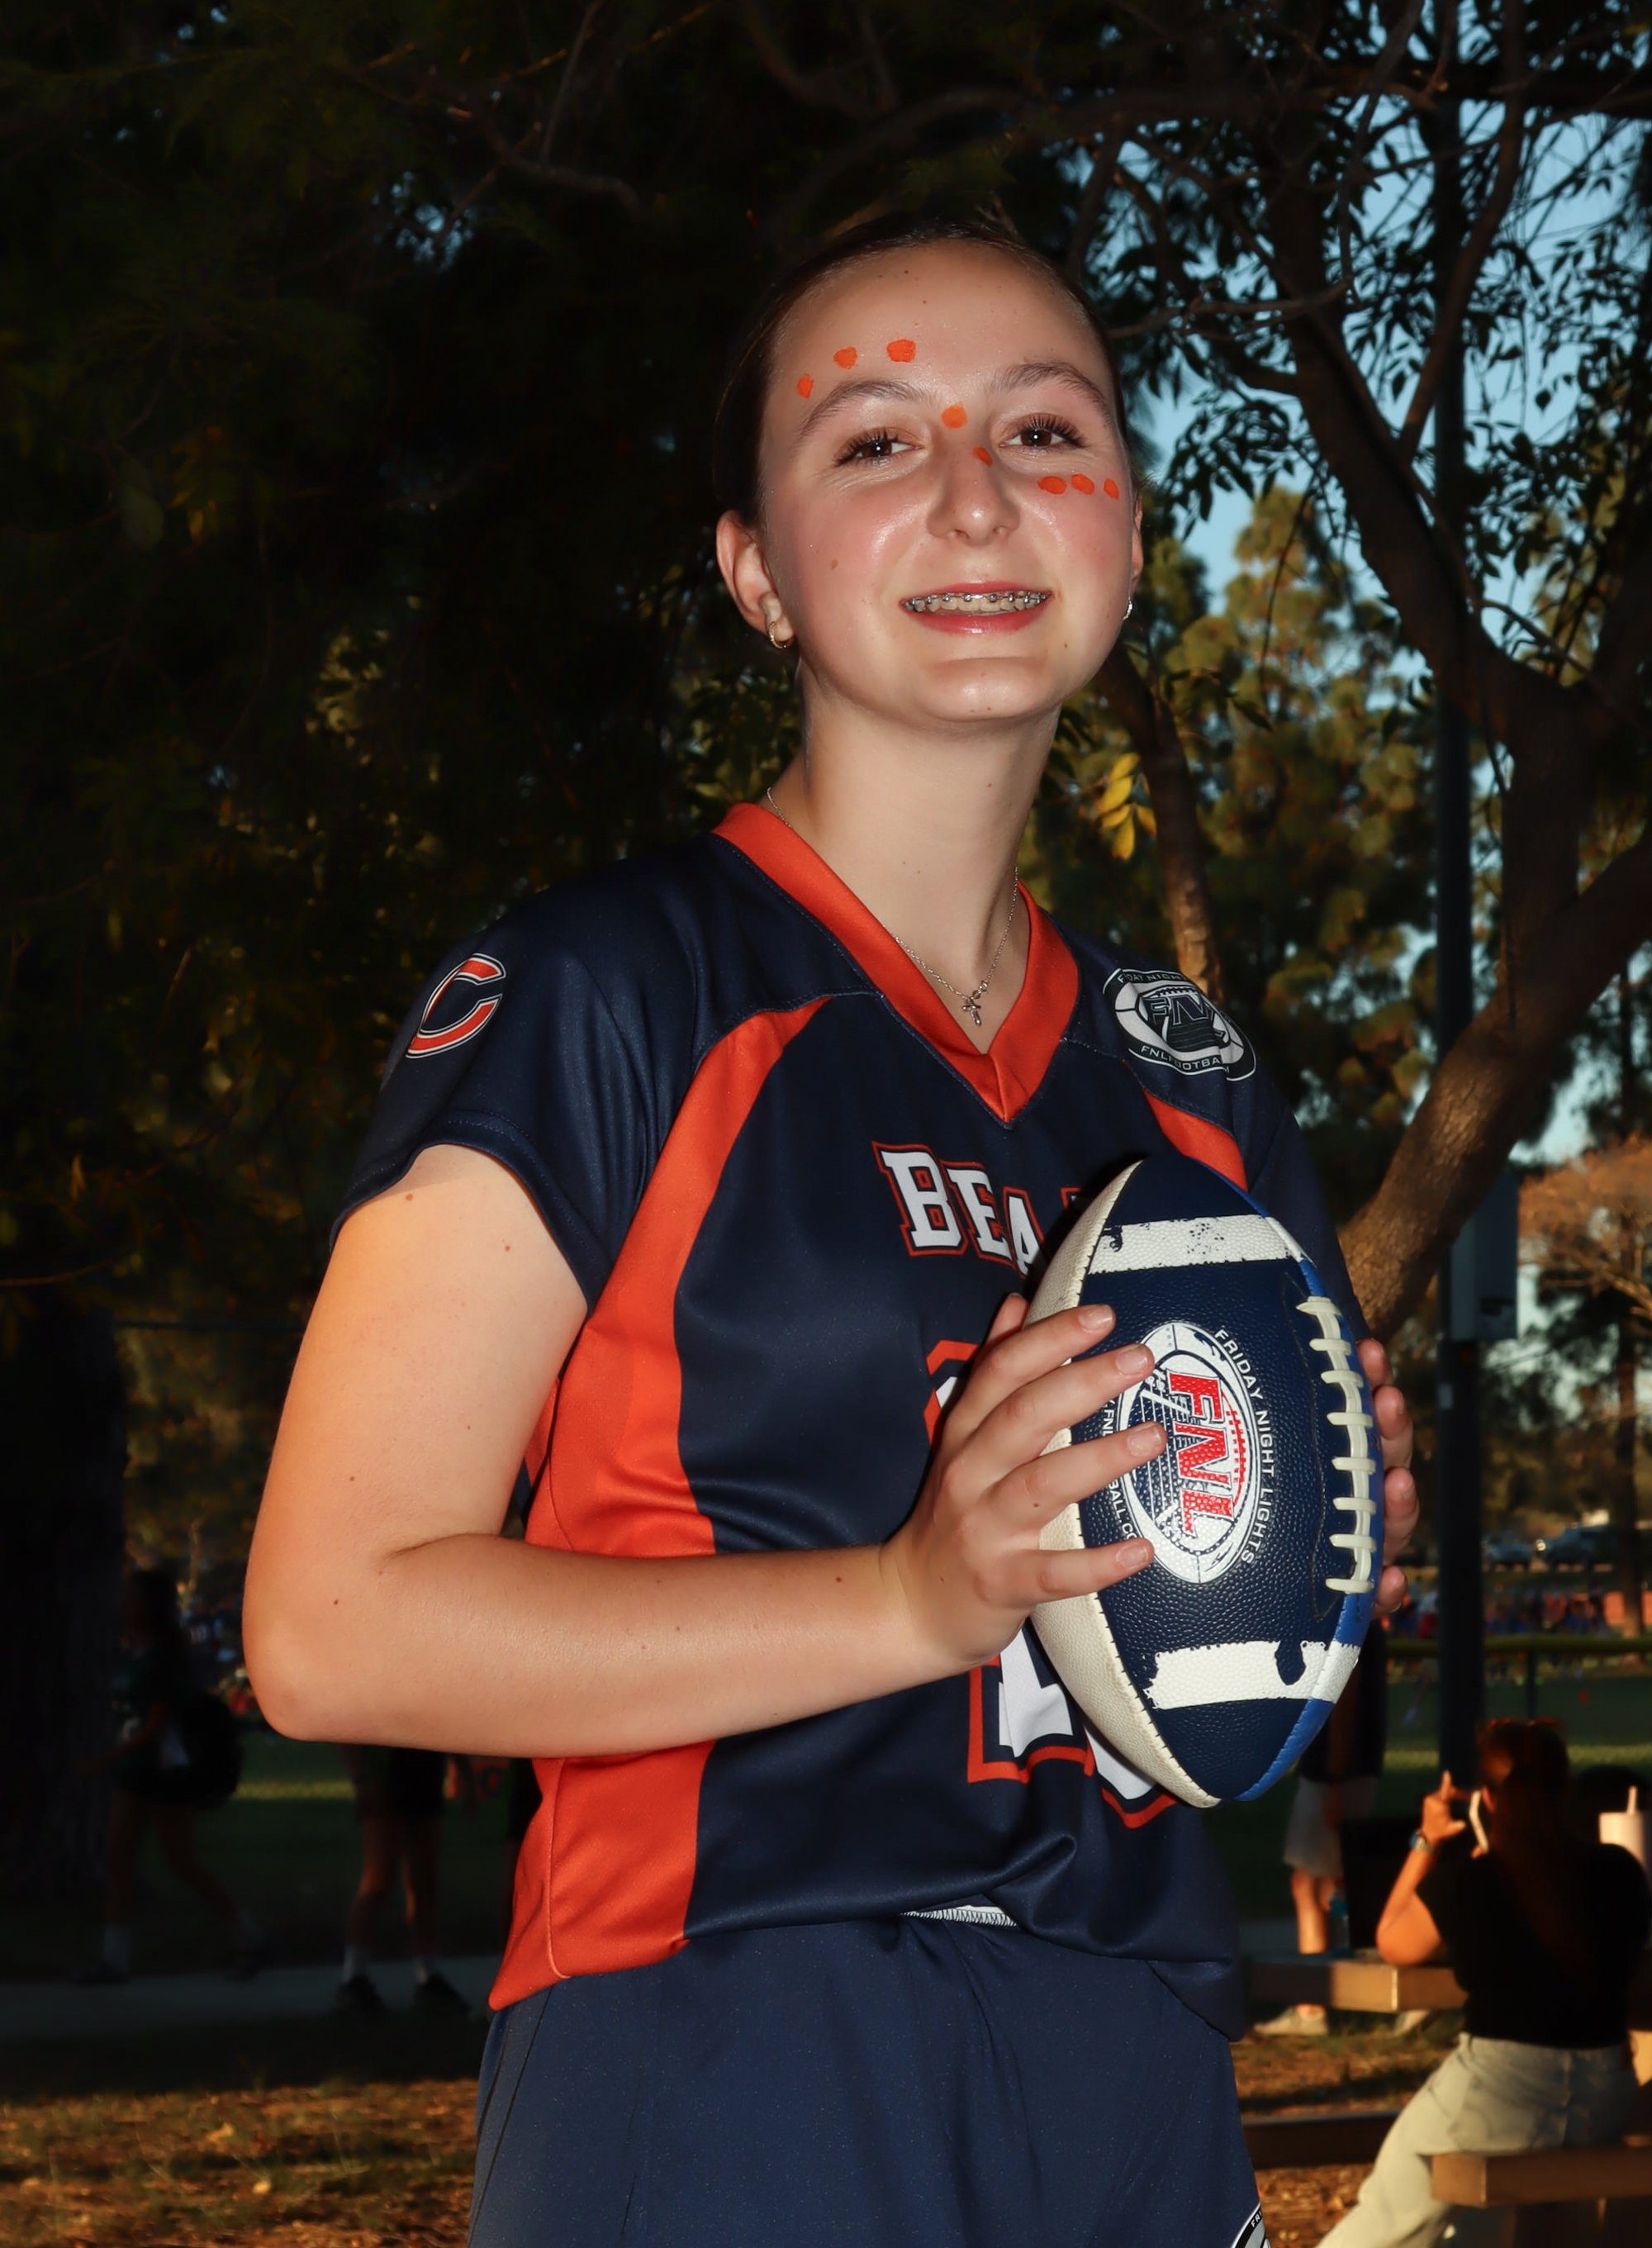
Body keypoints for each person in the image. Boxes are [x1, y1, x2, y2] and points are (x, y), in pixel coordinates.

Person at [244, 213, 1419, 2248]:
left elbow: (1184, 1680)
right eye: (875, 441)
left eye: (1044, 431)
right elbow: (327, 1627)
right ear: (753, 569)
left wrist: (1298, 1543)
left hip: (1136, 2045)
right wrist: (902, 1599)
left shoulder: (1193, 1078)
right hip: (732, 2038)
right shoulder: (608, 990)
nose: (975, 493)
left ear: (1127, 533)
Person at [1322, 1720, 1651, 2248]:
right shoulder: (1620, 1873)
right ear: (1566, 1792)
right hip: (1605, 2100)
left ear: (1488, 1800)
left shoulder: (1470, 1884)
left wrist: (1427, 1840)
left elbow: (1392, 1941)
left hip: (1500, 2093)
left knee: (1391, 2209)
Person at [74, 1563, 268, 1984]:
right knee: (121, 1860)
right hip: (133, 1773)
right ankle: (115, 1960)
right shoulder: (130, 1653)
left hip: (161, 1773)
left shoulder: (163, 1661)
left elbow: (155, 1728)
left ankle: (249, 1936)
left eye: (132, 1597)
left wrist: (103, 1761)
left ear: (150, 1607)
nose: (123, 1604)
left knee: (180, 1862)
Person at [1256, 1618, 1388, 2036]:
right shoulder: (1362, 1619)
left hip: (1334, 1774)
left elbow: (1344, 1698)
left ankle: (1313, 2006)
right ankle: (1329, 1996)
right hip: (1345, 1770)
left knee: (1314, 1887)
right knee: (1327, 1886)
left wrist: (1334, 1778)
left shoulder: (1345, 1617)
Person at [336, 1745, 470, 2013]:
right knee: (378, 1881)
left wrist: (465, 1773)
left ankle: (428, 1973)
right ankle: (354, 1976)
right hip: (387, 1774)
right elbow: (347, 1734)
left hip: (425, 1772)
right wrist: (360, 1778)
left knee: (424, 1882)